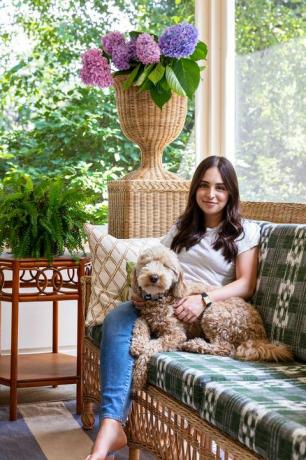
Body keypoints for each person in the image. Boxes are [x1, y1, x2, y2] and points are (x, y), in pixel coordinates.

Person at [86, 155, 260, 460]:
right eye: (204, 186)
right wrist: (140, 291)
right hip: (158, 300)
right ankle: (111, 425)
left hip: (202, 305)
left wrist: (204, 299)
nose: (211, 194)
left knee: (137, 335)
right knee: (116, 317)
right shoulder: (182, 226)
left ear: (231, 192)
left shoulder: (244, 231)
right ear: (194, 190)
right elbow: (155, 258)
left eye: (220, 187)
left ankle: (108, 433)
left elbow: (246, 284)